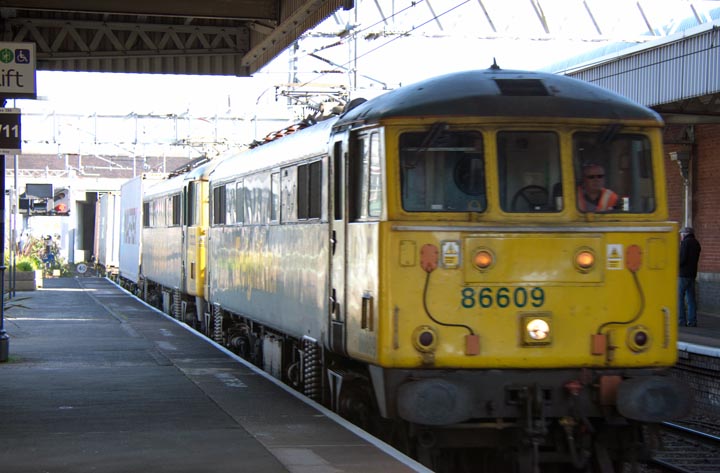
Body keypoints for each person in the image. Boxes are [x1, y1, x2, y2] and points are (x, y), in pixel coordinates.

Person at [678, 227, 702, 327]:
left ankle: (681, 320)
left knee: (679, 297)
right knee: (691, 298)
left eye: (681, 234)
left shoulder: (685, 243)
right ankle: (692, 321)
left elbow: (682, 259)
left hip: (683, 274)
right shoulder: (697, 243)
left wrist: (676, 264)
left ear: (685, 234)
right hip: (692, 274)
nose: (680, 236)